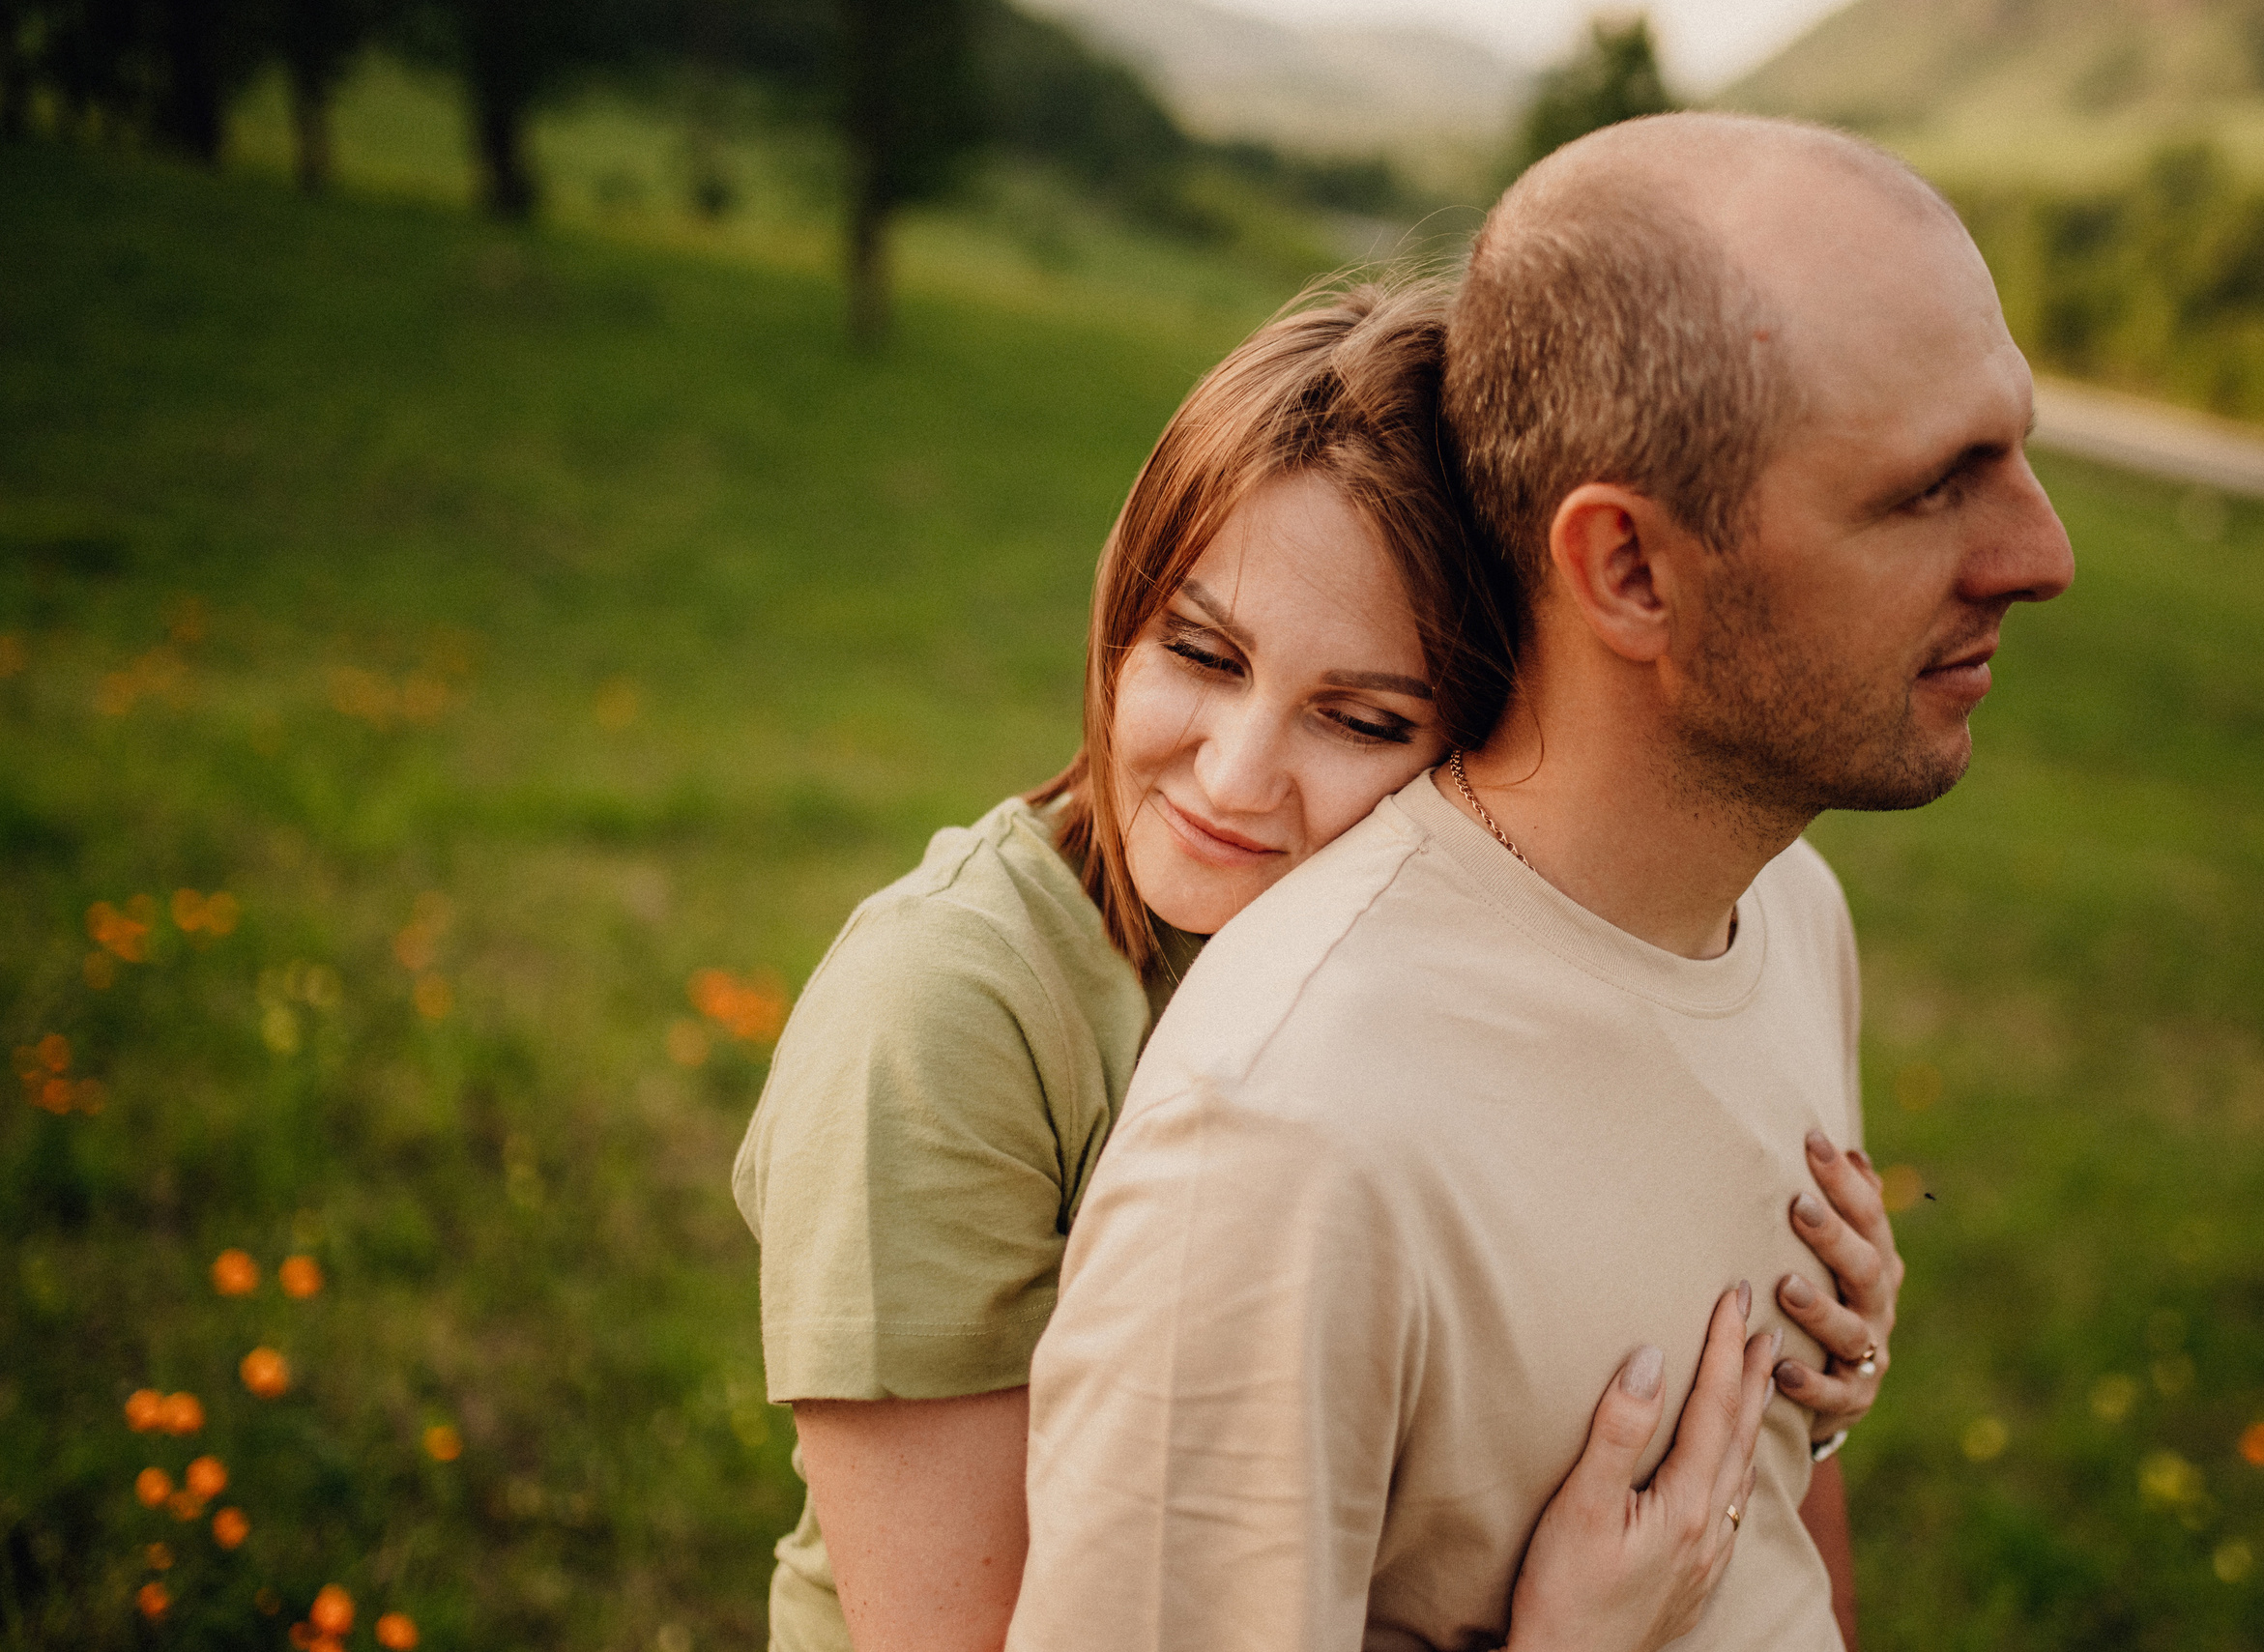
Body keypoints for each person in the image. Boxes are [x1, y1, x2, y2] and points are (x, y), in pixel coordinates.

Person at [1005, 112, 2075, 1652]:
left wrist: (1817, 1414)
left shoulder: (1784, 909)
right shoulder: (1290, 1143)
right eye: (1930, 488)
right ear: (1629, 568)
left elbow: (1768, 1543)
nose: (2038, 552)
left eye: (2017, 451)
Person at [733, 280, 1905, 1652]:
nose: (1234, 775)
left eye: (1357, 717)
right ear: (1125, 592)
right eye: (1198, 649)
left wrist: (1802, 1378)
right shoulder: (946, 1021)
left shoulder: (1474, 973)